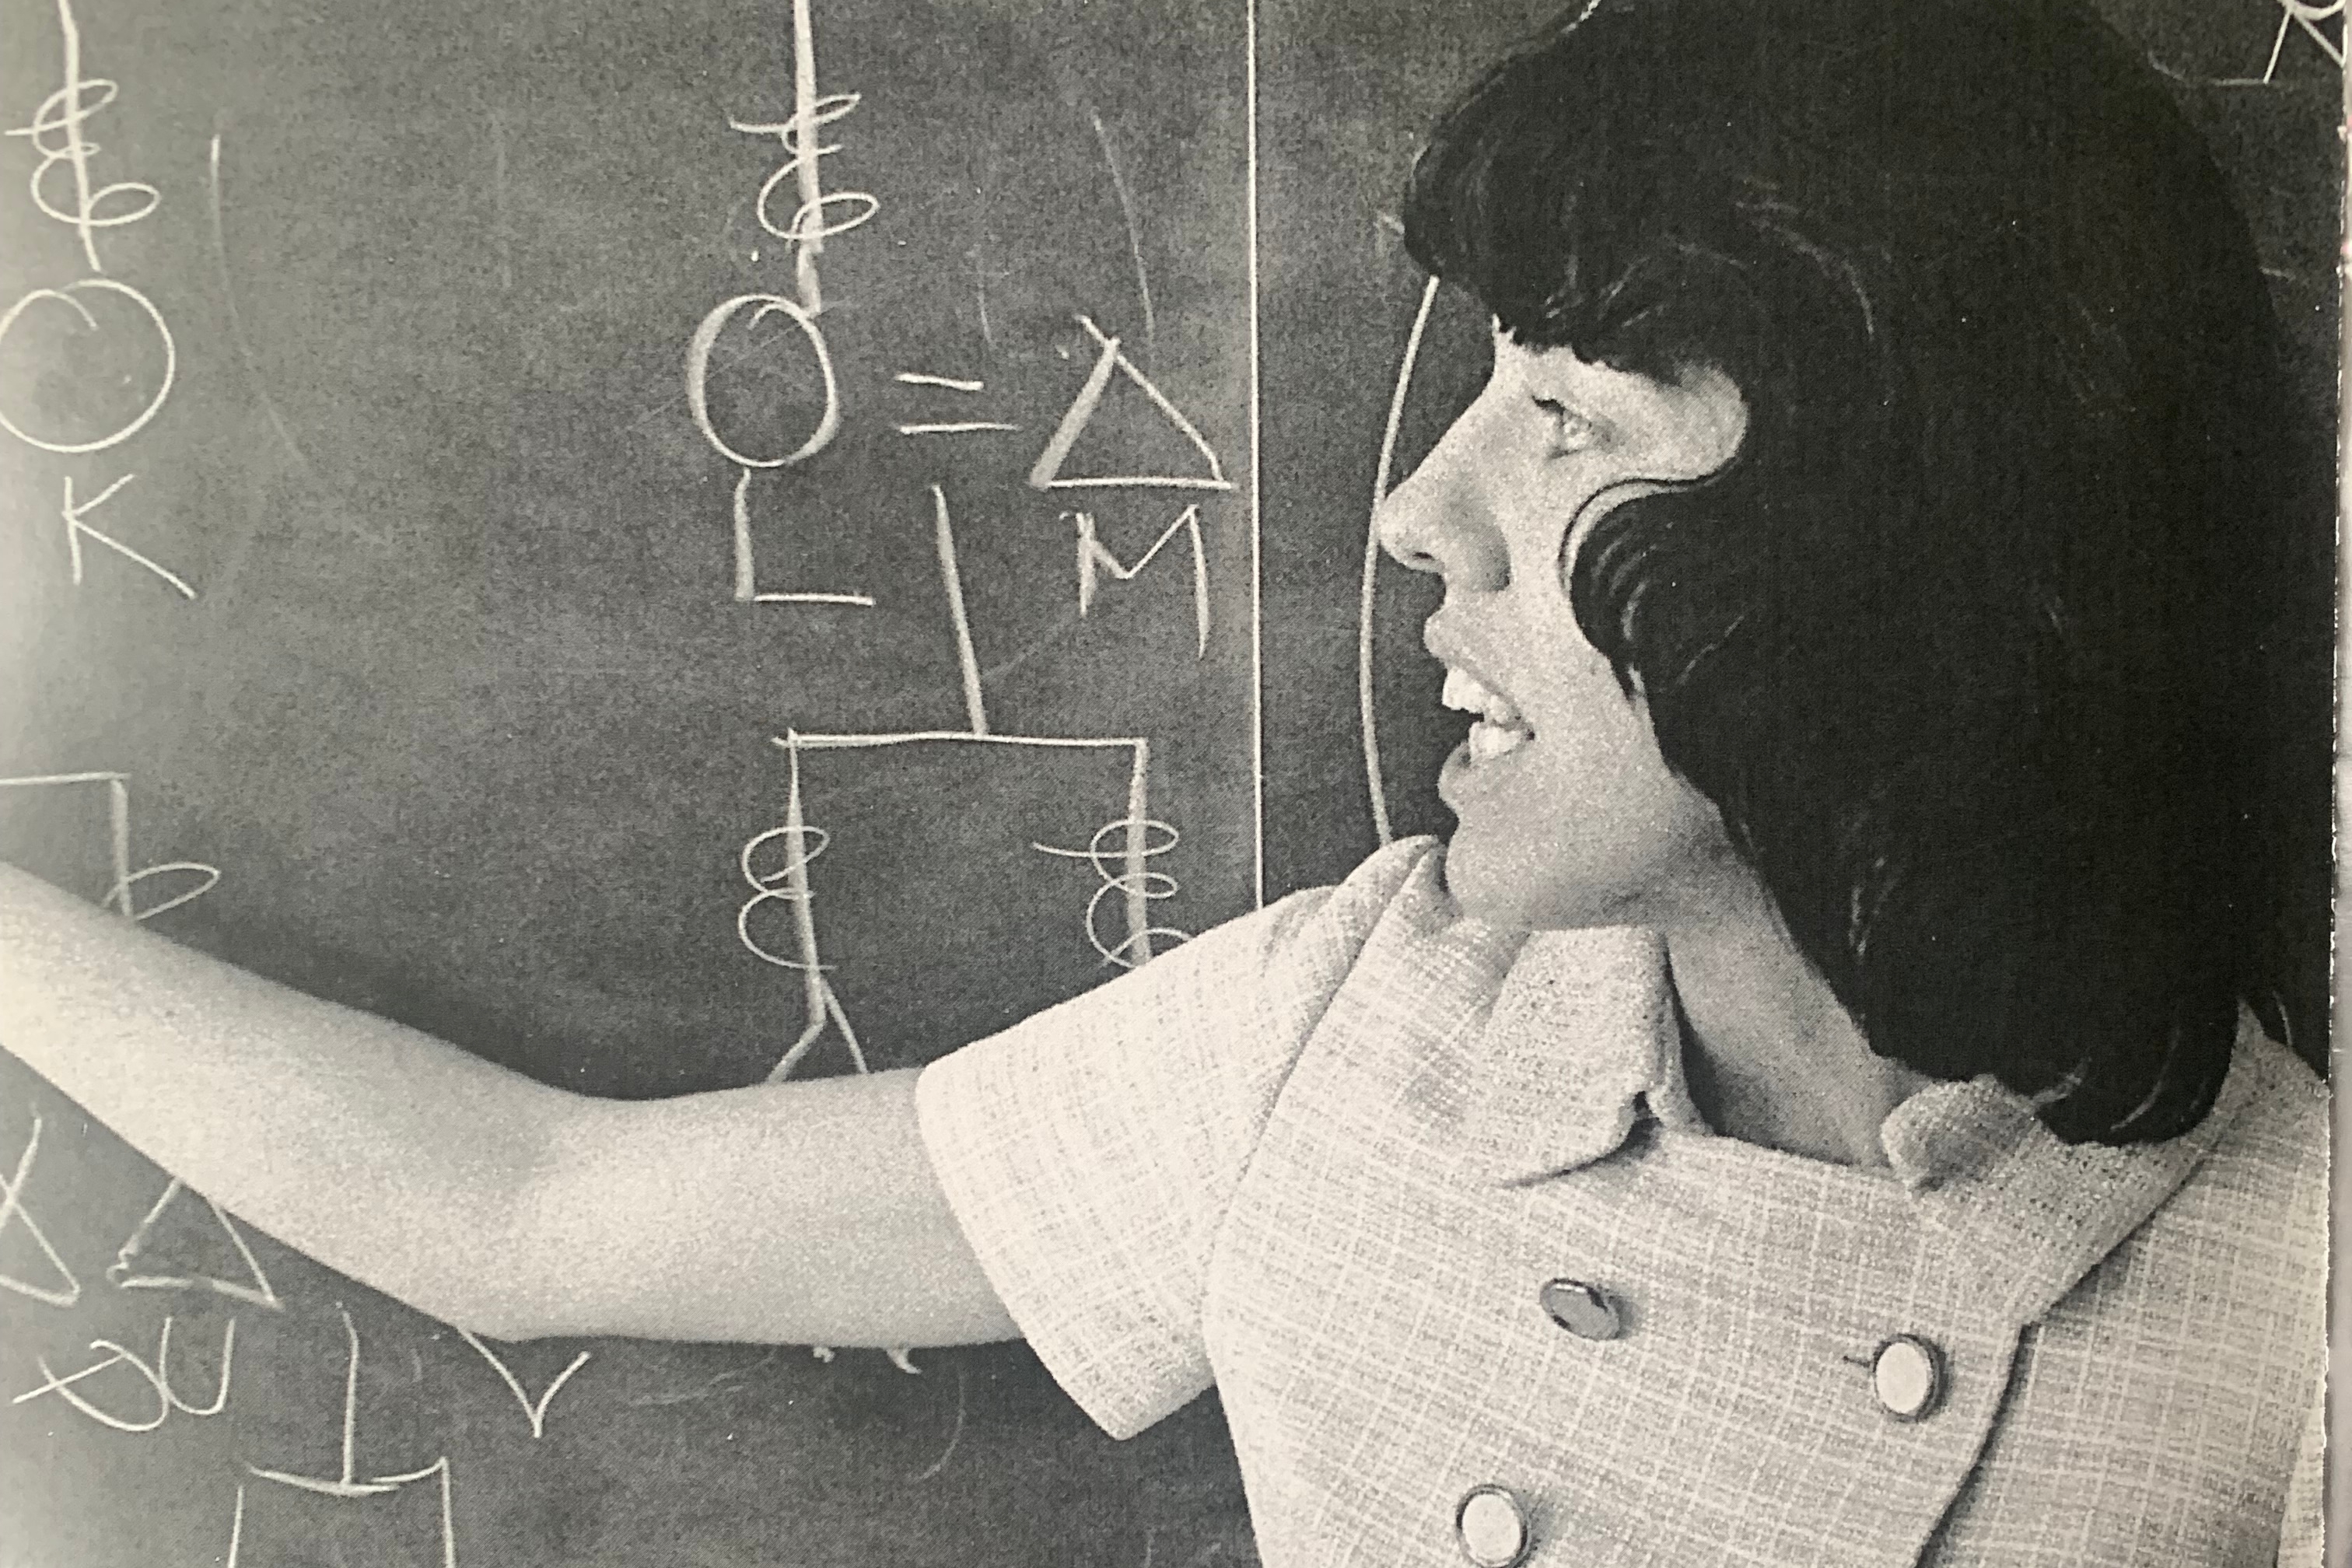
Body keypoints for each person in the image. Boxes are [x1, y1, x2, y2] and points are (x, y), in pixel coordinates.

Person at [0, 0, 2329, 1562]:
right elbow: (527, 1211)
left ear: (1890, 538)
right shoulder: (1362, 1030)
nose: (1418, 513)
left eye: (1563, 418)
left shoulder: (2294, 1297)